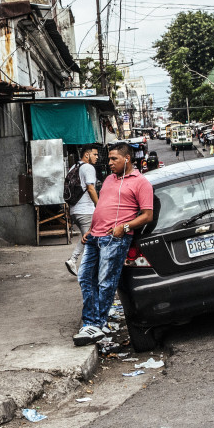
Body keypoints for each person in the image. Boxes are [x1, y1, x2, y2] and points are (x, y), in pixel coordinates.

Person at [73, 143, 155, 347]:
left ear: (127, 158)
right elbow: (102, 206)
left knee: (105, 282)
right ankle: (90, 322)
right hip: (95, 237)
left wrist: (125, 227)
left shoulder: (141, 183)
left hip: (115, 238)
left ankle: (96, 324)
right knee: (85, 278)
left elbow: (147, 215)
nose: (109, 163)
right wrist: (91, 230)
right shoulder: (109, 179)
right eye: (108, 159)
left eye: (113, 159)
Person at [65, 146, 100, 277]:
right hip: (86, 211)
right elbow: (91, 189)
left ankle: (73, 260)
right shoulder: (88, 167)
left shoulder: (74, 167)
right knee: (91, 243)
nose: (97, 157)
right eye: (95, 154)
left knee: (87, 236)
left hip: (75, 211)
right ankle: (88, 274)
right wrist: (99, 206)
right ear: (87, 155)